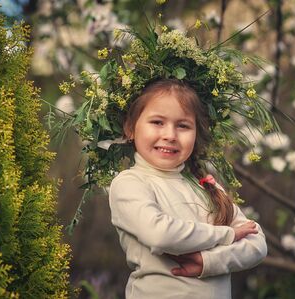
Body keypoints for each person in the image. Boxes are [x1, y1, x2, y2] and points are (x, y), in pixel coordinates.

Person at [109, 79, 268, 299]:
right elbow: (160, 234)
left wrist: (208, 262)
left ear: (197, 133)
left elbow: (257, 243)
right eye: (157, 122)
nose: (170, 135)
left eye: (183, 126)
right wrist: (227, 235)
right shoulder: (130, 183)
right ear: (130, 128)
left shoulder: (206, 185)